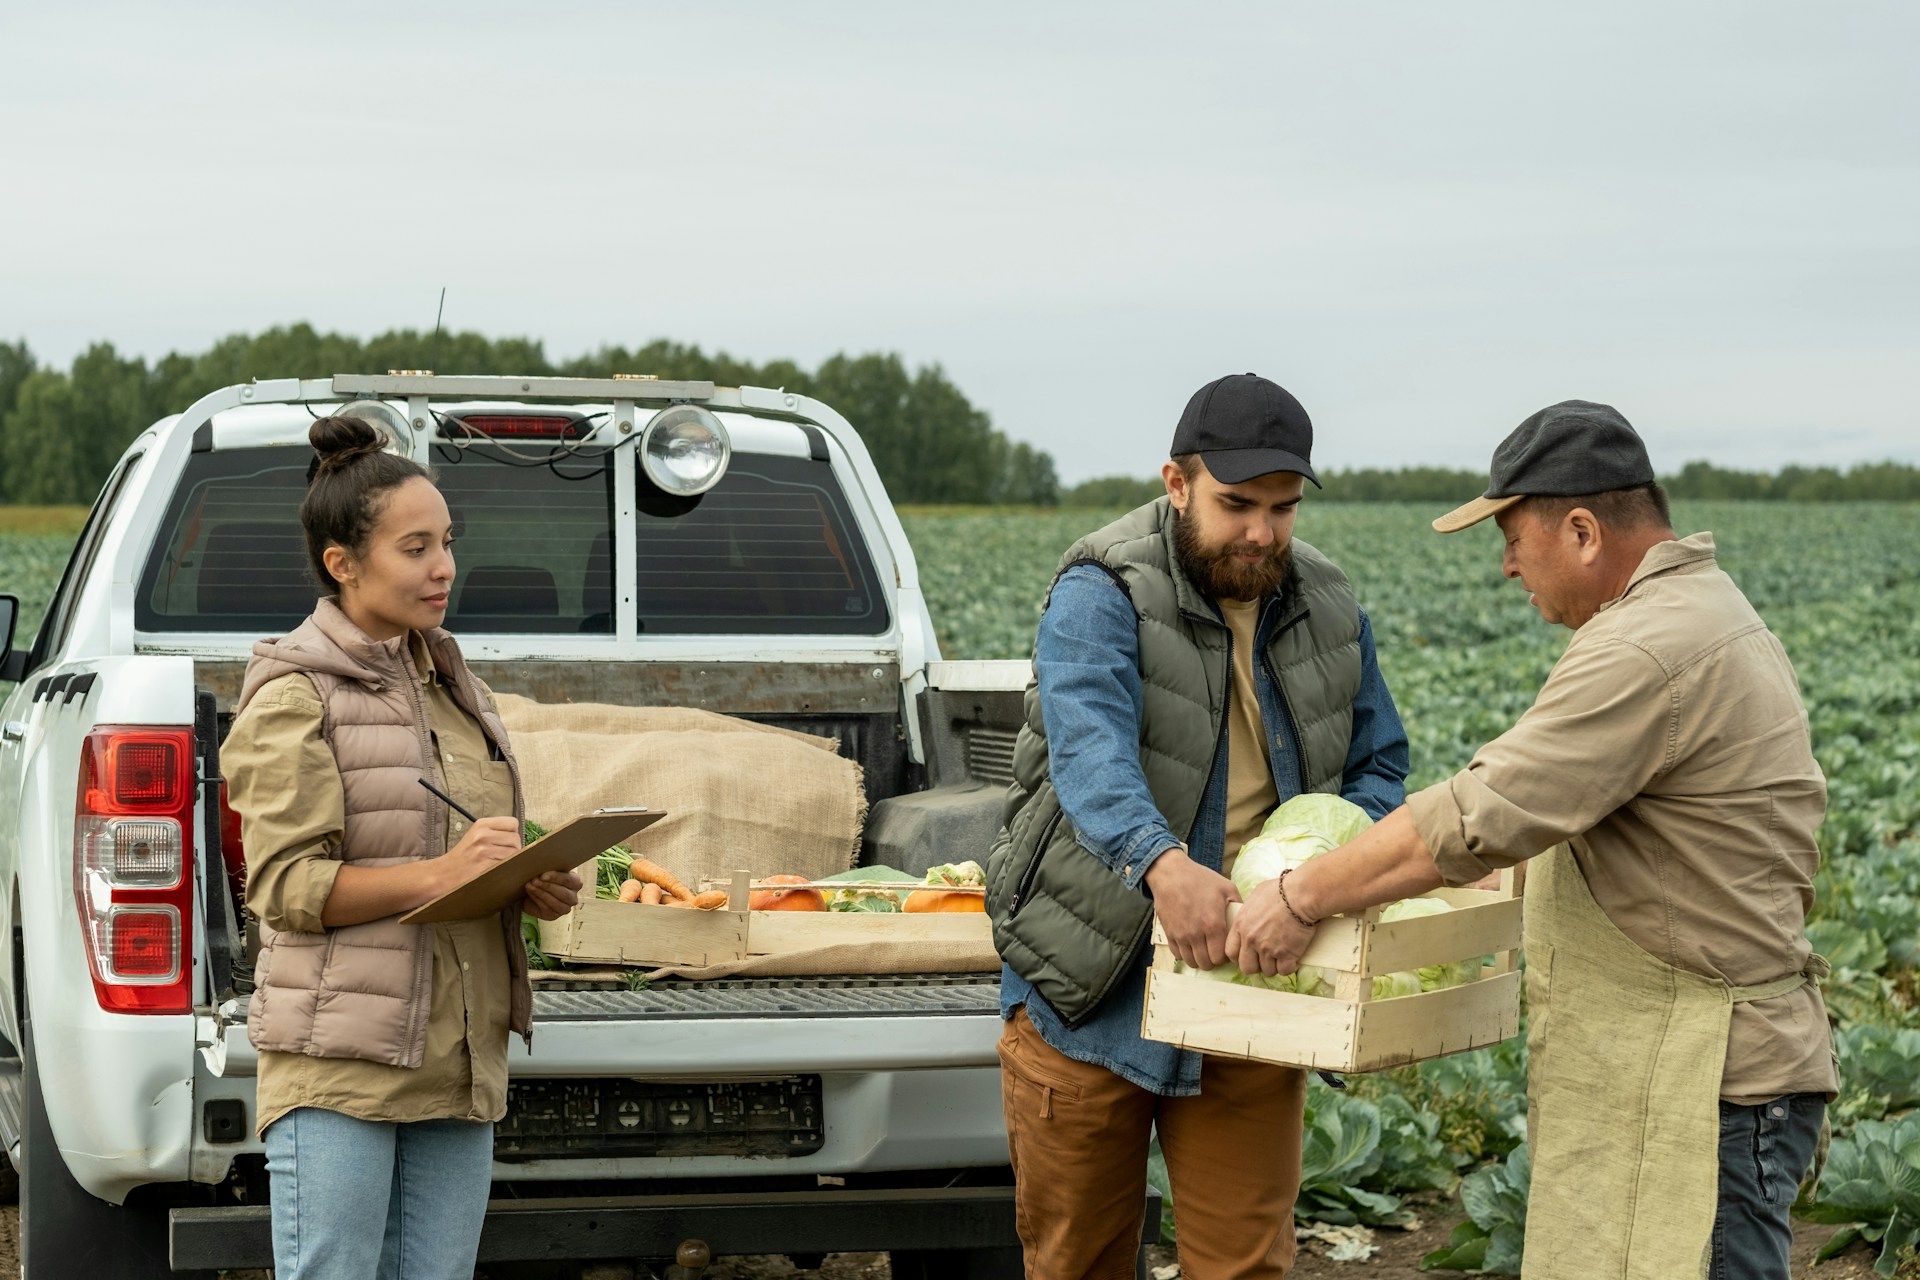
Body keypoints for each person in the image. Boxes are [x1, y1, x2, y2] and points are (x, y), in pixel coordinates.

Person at [1226, 401, 1836, 1280]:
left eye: (1514, 537)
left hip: (1709, 1083)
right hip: (1719, 1068)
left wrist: (1298, 896)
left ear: (1583, 530)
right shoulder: (1704, 608)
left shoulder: (1647, 647)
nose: (1508, 566)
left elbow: (1476, 816)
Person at [985, 373, 1410, 1279]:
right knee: (1077, 1260)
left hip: (1252, 974)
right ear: (1176, 483)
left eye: (1283, 508)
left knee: (1247, 1262)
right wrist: (1162, 866)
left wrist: (1314, 876)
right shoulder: (1100, 588)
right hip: (1091, 977)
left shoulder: (1328, 604)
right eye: (1236, 504)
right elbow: (1088, 753)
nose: (1261, 531)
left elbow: (1380, 765)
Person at [222, 414, 582, 1279]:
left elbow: (463, 860)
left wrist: (527, 881)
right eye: (415, 547)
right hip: (342, 1061)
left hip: (456, 1056)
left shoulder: (456, 686)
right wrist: (448, 871)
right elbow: (286, 887)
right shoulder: (292, 696)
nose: (444, 566)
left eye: (448, 542)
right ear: (342, 565)